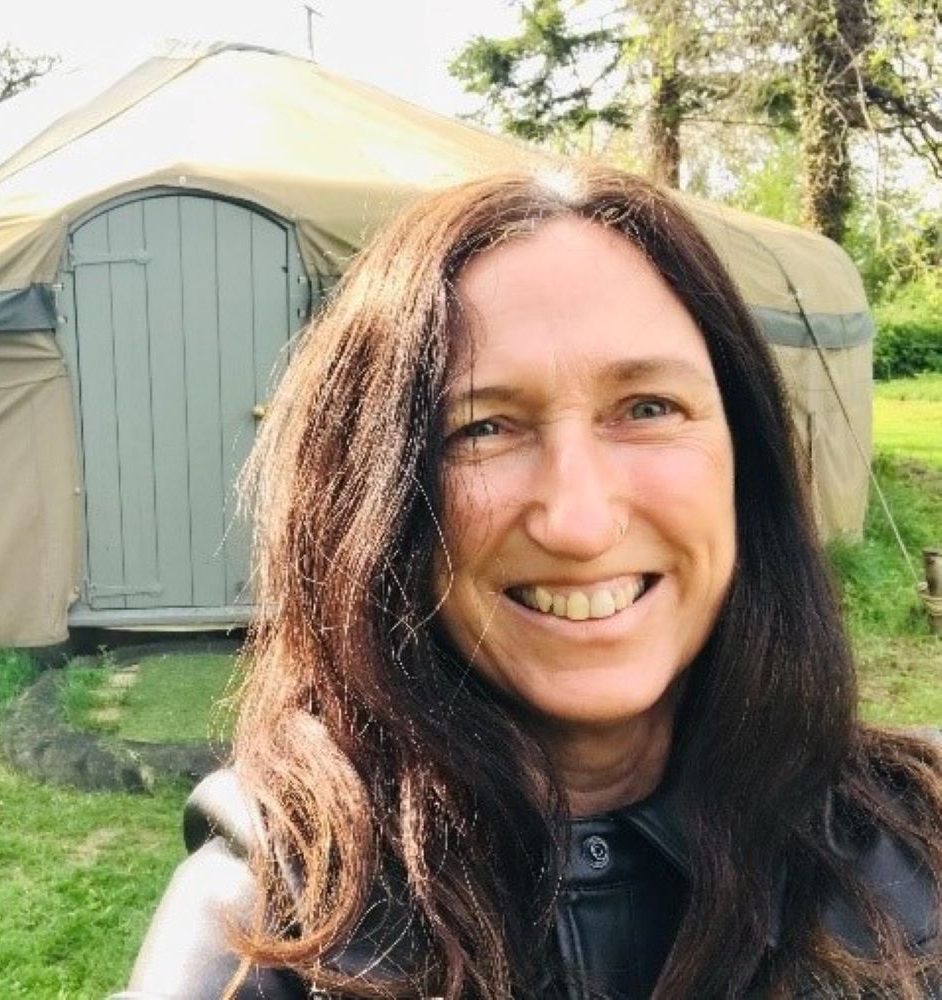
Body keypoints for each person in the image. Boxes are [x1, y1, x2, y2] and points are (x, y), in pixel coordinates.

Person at [116, 166, 940, 1000]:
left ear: (747, 462)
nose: (579, 523)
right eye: (483, 427)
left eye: (648, 408)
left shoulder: (921, 857)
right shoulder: (268, 937)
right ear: (379, 505)